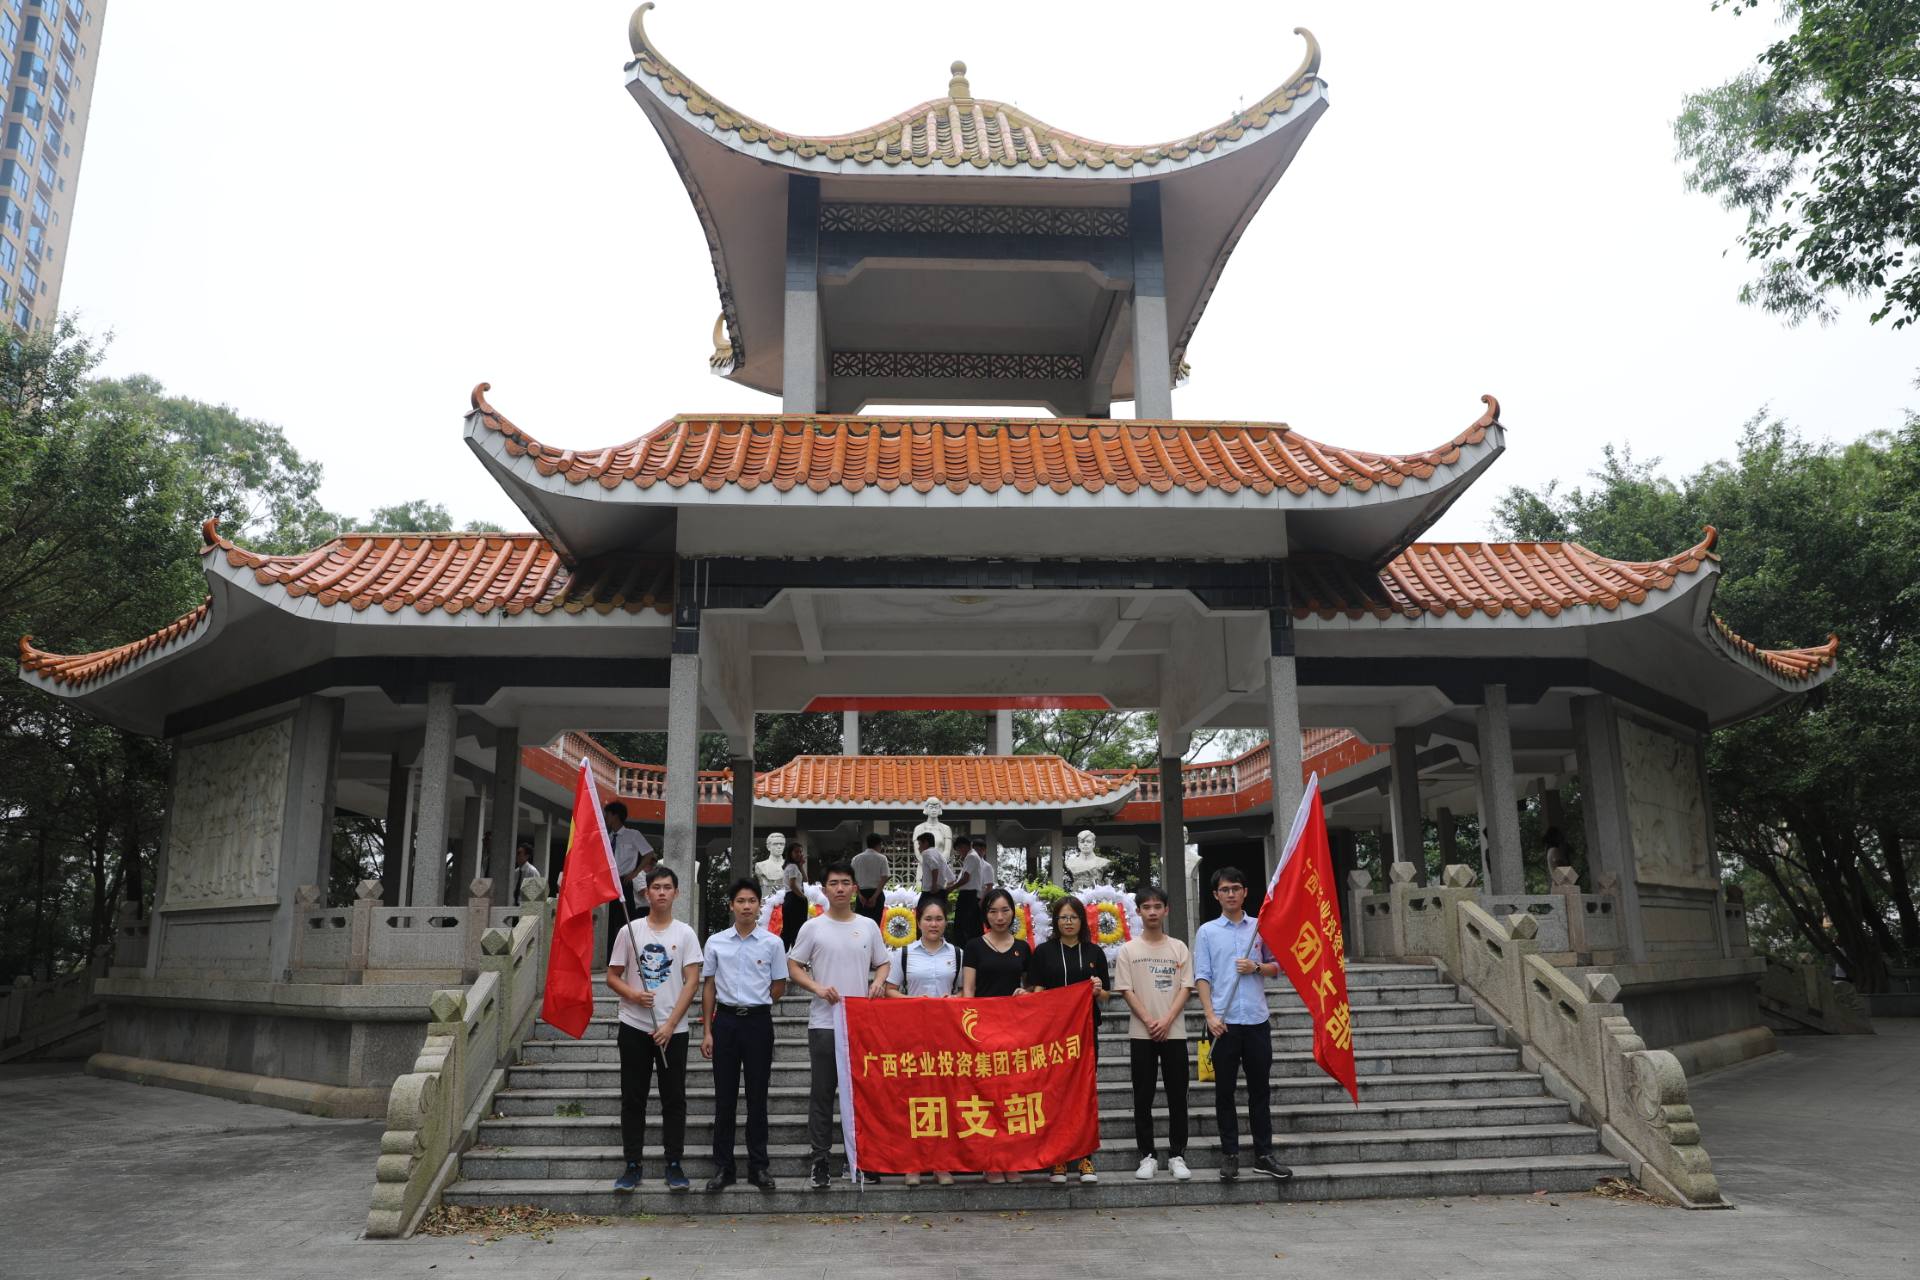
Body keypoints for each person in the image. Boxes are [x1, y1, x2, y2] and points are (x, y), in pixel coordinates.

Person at [787, 861, 891, 1190]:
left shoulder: (868, 926)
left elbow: (884, 962)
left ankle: (856, 1158)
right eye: (834, 883)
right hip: (824, 1023)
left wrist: (878, 982)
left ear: (855, 888)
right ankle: (820, 1159)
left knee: (859, 1093)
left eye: (846, 883)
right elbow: (793, 965)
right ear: (825, 890)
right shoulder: (813, 928)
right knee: (823, 1092)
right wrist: (817, 988)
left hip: (859, 1023)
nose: (841, 888)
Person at [606, 866, 701, 1193]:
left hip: (673, 1030)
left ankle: (674, 1163)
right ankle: (632, 1164)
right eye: (656, 887)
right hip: (634, 1025)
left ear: (677, 893)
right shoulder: (629, 931)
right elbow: (613, 976)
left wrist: (671, 1024)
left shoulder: (685, 934)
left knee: (674, 1099)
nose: (661, 893)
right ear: (646, 893)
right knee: (633, 1098)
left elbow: (692, 981)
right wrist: (632, 994)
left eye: (667, 887)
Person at [1193, 866, 1291, 1183]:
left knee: (1260, 1091)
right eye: (1225, 889)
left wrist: (1256, 967)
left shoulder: (1261, 927)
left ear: (1245, 892)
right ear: (1216, 895)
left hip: (1256, 1020)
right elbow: (1202, 976)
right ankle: (1230, 1155)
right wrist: (1210, 1015)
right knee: (1224, 1093)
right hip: (1224, 1024)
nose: (1231, 894)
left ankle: (1264, 1154)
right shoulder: (1207, 932)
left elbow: (1279, 966)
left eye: (1236, 888)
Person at [700, 878, 787, 1193]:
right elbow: (709, 987)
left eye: (751, 901)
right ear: (731, 905)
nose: (746, 906)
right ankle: (724, 1167)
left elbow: (779, 985)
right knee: (724, 1098)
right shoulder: (716, 942)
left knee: (757, 1097)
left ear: (759, 905)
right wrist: (707, 1031)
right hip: (724, 1023)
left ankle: (758, 1167)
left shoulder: (772, 943)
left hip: (758, 1024)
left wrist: (756, 1003)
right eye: (740, 901)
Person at [1025, 895, 1110, 1185]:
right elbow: (1037, 989)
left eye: (1073, 917)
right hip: (1053, 1035)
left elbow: (1107, 995)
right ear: (1056, 921)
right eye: (1063, 917)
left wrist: (1098, 990)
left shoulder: (1094, 952)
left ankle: (1085, 1157)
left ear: (1082, 921)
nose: (1069, 922)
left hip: (1085, 1033)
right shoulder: (1044, 952)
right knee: (1055, 1093)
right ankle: (1058, 1157)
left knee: (1083, 1092)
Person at [1112, 885, 1193, 1182]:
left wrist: (1166, 1020)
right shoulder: (1128, 950)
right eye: (1146, 907)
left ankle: (1177, 1155)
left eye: (1158, 906)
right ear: (1138, 912)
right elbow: (1126, 990)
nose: (1152, 912)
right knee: (1143, 1096)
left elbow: (1186, 987)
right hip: (1141, 1034)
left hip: (1175, 1032)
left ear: (1166, 910)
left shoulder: (1179, 948)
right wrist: (1149, 1021)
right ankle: (1147, 1155)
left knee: (1177, 1096)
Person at [883, 893, 963, 1187]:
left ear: (945, 922)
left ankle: (942, 1164)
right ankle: (912, 1163)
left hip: (947, 1037)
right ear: (918, 922)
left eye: (939, 919)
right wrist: (915, 1002)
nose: (934, 924)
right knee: (913, 1099)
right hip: (913, 1036)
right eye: (928, 919)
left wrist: (952, 1000)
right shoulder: (904, 954)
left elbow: (966, 992)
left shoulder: (957, 954)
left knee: (945, 1098)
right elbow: (890, 990)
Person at [960, 886, 1032, 1184]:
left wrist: (1025, 993)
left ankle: (1011, 1160)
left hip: (1014, 1032)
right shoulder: (974, 946)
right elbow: (968, 991)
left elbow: (1030, 987)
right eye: (993, 911)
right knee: (986, 1097)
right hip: (983, 1032)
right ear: (985, 915)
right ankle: (990, 1161)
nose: (999, 917)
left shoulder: (1023, 948)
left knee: (1012, 1098)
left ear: (1013, 912)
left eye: (1004, 910)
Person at [954, 836, 994, 942]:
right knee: (965, 926)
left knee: (973, 927)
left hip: (977, 898)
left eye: (980, 849)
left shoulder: (986, 866)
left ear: (984, 850)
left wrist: (982, 901)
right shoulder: (969, 861)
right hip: (969, 897)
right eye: (975, 849)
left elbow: (989, 886)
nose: (977, 852)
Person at [851, 834, 890, 926]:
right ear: (878, 844)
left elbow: (851, 878)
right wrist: (874, 897)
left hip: (862, 894)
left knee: (860, 924)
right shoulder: (882, 858)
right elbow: (885, 877)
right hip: (877, 893)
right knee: (875, 924)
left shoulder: (856, 858)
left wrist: (859, 895)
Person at [779, 840, 809, 954]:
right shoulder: (792, 867)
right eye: (796, 852)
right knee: (796, 929)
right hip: (794, 898)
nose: (799, 854)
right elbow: (792, 885)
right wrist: (803, 897)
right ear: (790, 853)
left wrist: (801, 865)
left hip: (791, 898)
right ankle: (793, 955)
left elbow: (805, 880)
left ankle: (784, 954)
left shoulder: (794, 866)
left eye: (800, 852)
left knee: (791, 929)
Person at [915, 830, 950, 896]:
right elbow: (950, 876)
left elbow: (935, 868)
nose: (919, 847)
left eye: (920, 844)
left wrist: (934, 885)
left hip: (930, 891)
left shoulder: (926, 853)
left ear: (926, 843)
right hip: (940, 890)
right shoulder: (938, 854)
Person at [511, 838, 542, 905]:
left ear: (527, 856)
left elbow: (535, 894)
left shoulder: (532, 872)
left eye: (519, 853)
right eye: (517, 853)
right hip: (514, 906)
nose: (516, 855)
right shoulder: (516, 872)